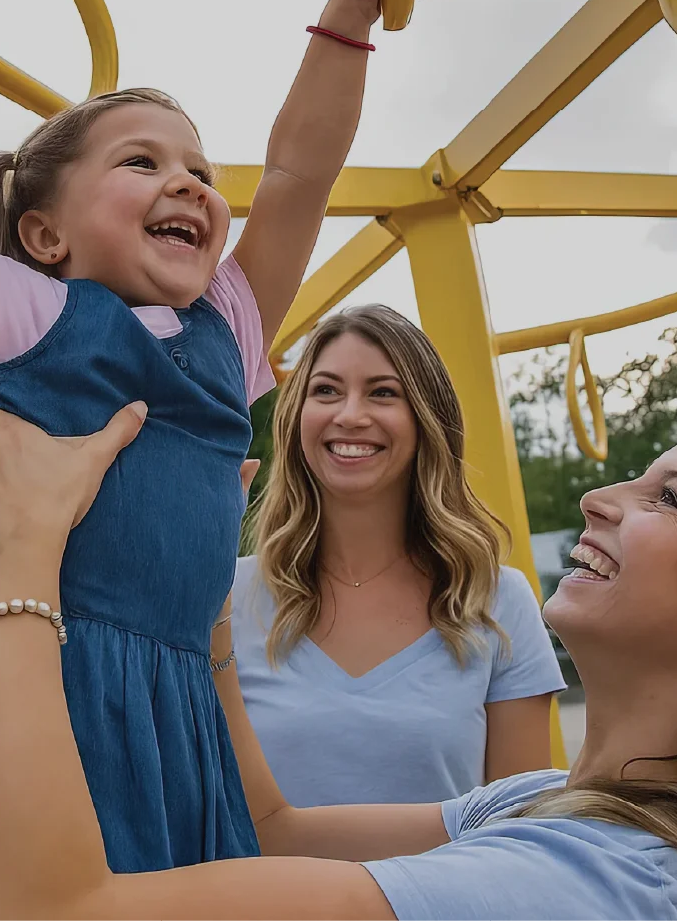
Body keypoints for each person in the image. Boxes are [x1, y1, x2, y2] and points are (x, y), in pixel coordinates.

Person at [0, 0, 442, 918]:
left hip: (171, 712)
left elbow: (300, 170)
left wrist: (348, 13)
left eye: (200, 169)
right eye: (141, 161)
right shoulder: (32, 314)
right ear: (46, 234)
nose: (190, 183)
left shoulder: (228, 328)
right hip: (32, 669)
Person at [0, 403, 677, 920]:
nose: (598, 496)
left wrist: (22, 554)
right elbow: (277, 827)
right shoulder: (552, 806)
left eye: (666, 497)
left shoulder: (586, 885)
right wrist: (209, 600)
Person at [231, 305, 565, 806]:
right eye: (326, 390)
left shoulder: (496, 601)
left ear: (428, 419)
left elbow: (520, 828)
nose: (349, 415)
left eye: (383, 393)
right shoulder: (227, 596)